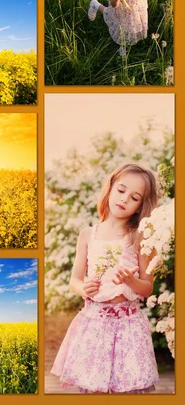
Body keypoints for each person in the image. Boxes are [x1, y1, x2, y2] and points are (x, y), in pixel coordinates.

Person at [51, 163, 160, 393]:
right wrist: (84, 288)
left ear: (141, 205)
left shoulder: (140, 237)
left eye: (134, 197)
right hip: (94, 324)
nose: (124, 199)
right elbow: (74, 280)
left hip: (128, 326)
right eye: (121, 190)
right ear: (110, 189)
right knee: (94, 388)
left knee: (129, 388)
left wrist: (131, 281)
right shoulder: (88, 235)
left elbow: (148, 288)